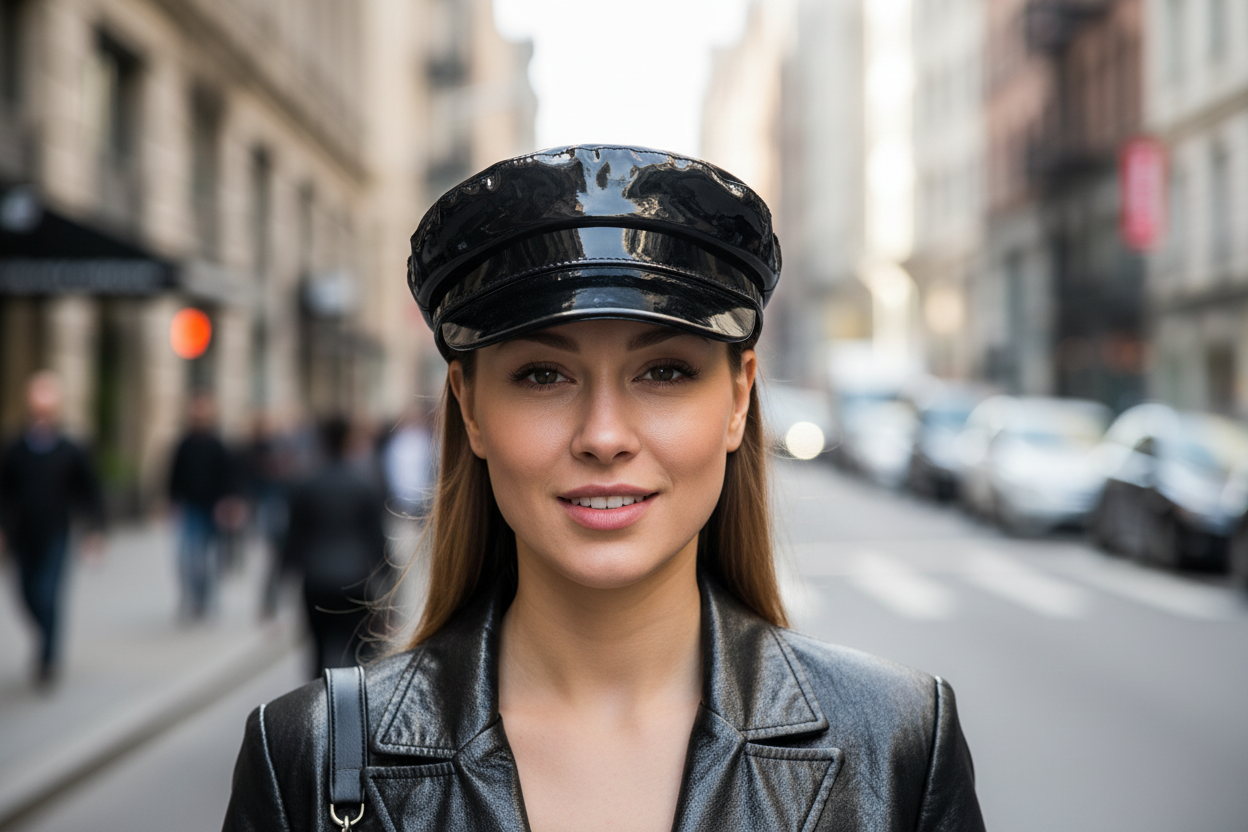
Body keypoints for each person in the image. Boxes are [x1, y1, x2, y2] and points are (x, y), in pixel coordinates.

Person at [223, 145, 984, 830]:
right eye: (542, 375)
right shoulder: (307, 760)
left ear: (739, 397)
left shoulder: (898, 744)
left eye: (665, 371)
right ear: (471, 407)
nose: (604, 434)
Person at [0, 371, 105, 689]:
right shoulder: (16, 448)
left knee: (48, 595)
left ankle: (48, 658)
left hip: (57, 533)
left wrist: (95, 531)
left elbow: (89, 492)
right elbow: (5, 492)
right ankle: (45, 641)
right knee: (26, 595)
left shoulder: (70, 448)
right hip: (23, 534)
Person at [280, 415, 390, 678]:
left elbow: (291, 538)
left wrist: (275, 587)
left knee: (317, 652)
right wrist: (390, 583)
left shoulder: (305, 485)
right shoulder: (363, 485)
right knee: (359, 654)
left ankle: (317, 708)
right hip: (356, 581)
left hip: (316, 580)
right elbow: (377, 539)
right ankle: (357, 710)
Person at [167, 393, 236, 621]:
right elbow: (173, 475)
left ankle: (206, 597)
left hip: (212, 508)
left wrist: (227, 503)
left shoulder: (218, 444)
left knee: (210, 558)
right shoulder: (184, 443)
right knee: (190, 556)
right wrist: (171, 501)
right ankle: (194, 597)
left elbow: (228, 476)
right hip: (190, 507)